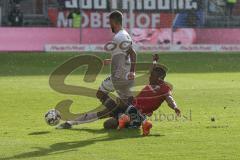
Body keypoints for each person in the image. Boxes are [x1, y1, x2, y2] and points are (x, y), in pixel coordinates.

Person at [57, 55, 181, 136]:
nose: (149, 76)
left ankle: (137, 120)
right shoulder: (153, 80)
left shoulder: (165, 88)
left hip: (136, 114)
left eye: (152, 75)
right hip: (130, 107)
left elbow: (170, 99)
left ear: (159, 78)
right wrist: (154, 61)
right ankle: (71, 123)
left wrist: (175, 107)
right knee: (107, 124)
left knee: (117, 103)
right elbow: (152, 70)